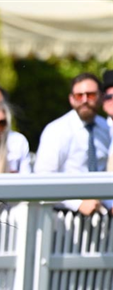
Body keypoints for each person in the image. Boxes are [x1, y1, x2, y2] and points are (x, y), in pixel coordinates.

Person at [34, 72, 111, 215]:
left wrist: (109, 203)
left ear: (101, 97)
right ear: (71, 99)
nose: (84, 100)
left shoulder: (106, 129)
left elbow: (106, 173)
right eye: (79, 95)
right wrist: (78, 203)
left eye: (91, 95)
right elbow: (43, 178)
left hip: (100, 217)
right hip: (63, 217)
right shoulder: (57, 130)